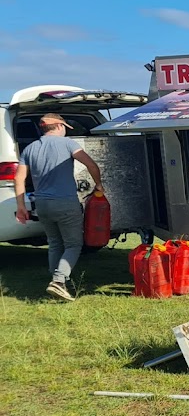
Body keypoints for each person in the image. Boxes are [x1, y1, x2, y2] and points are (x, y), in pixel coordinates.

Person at [14, 113, 103, 302]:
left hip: (43, 205)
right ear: (60, 126)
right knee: (73, 244)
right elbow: (91, 165)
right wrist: (99, 185)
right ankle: (58, 281)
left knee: (55, 243)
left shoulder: (29, 149)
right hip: (65, 203)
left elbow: (18, 178)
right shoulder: (68, 144)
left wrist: (21, 206)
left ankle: (58, 283)